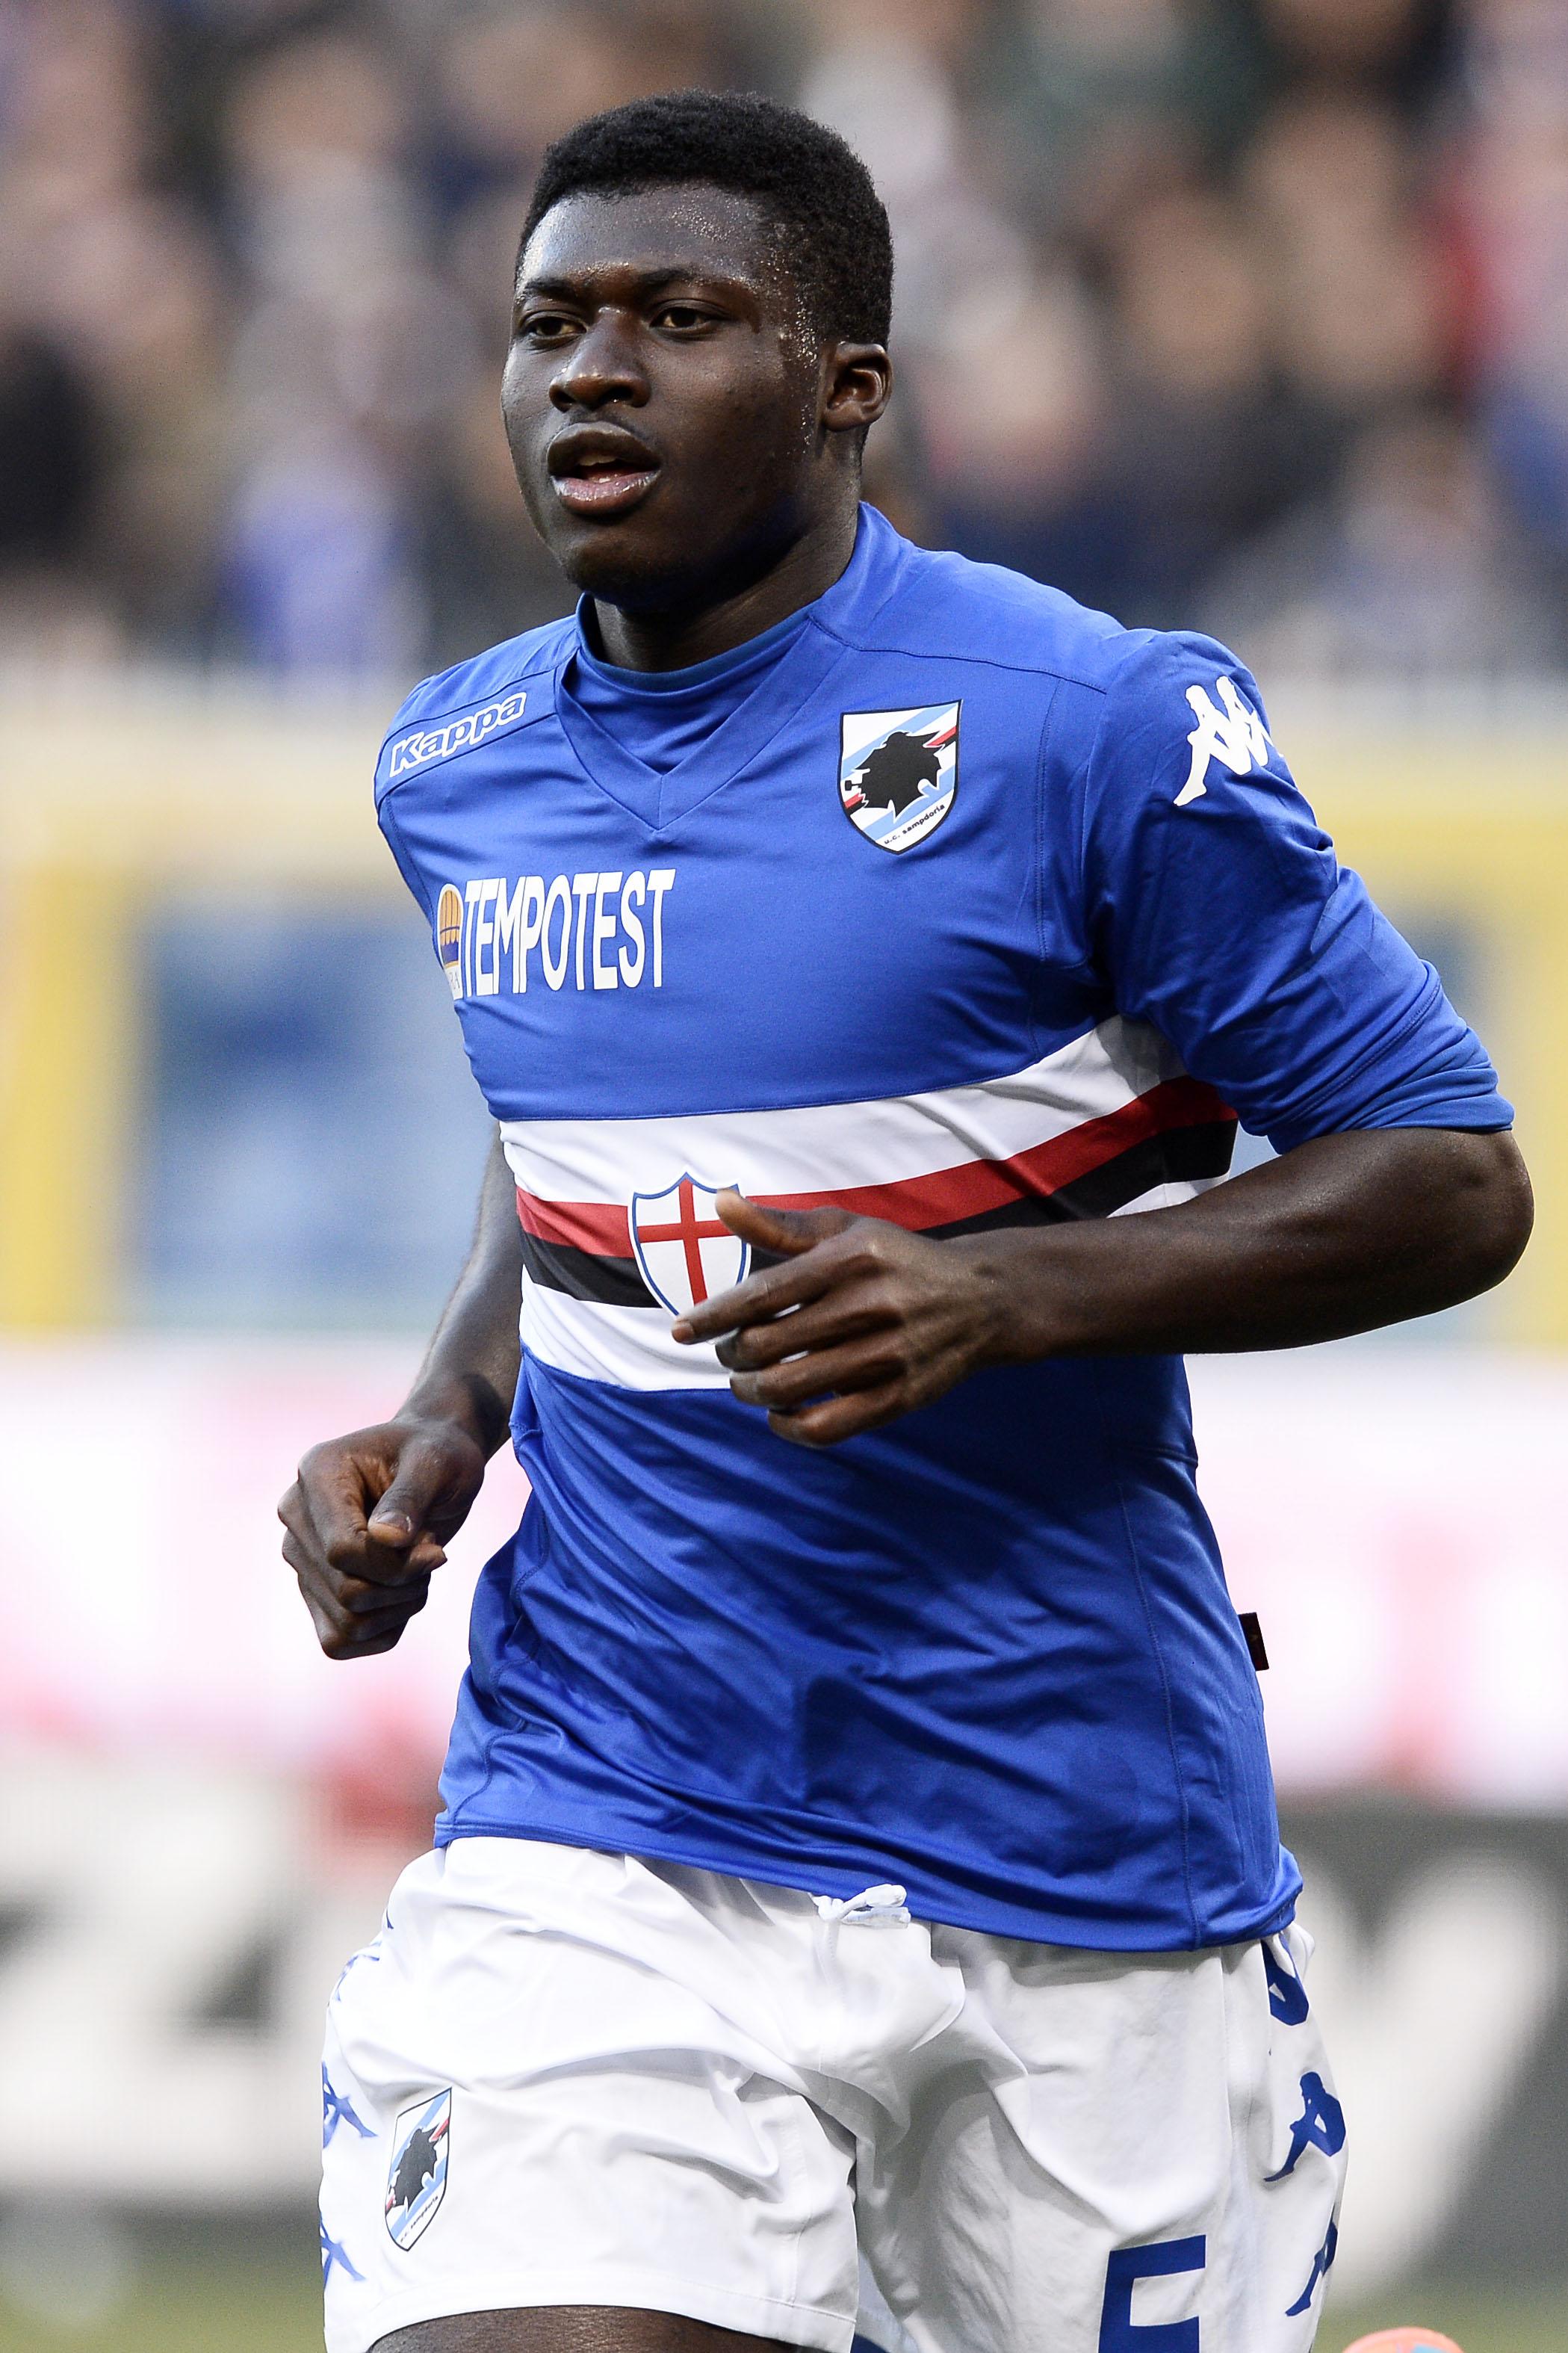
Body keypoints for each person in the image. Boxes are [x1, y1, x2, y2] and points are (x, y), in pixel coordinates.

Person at [282, 89, 1531, 2353]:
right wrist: (452, 1406)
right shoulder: (456, 768)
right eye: (550, 324)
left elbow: (1448, 1175)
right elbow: (567, 1124)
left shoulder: (1087, 728)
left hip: (1065, 1837)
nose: (592, 373)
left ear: (846, 382)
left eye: (680, 320)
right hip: (609, 1808)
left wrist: (1004, 1295)